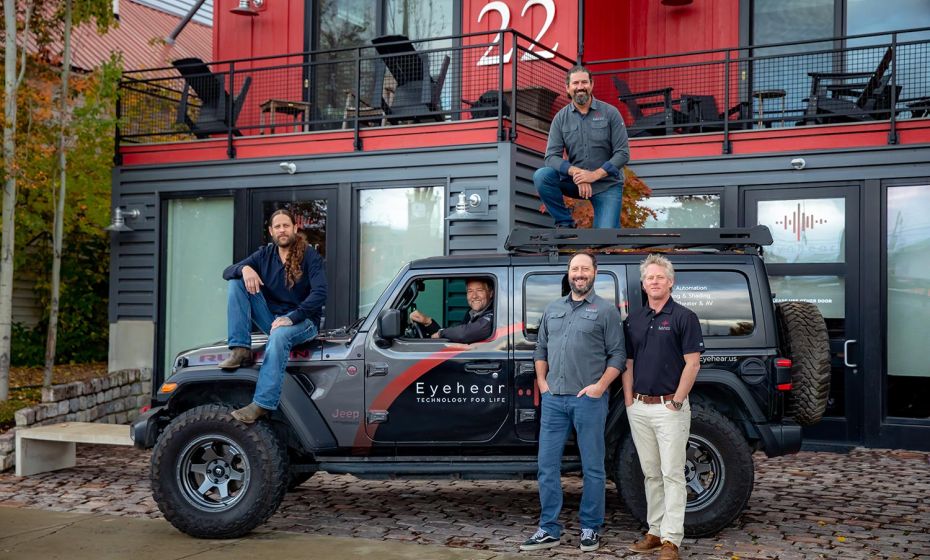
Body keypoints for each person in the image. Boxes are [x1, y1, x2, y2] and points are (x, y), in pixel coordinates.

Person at [521, 252, 625, 553]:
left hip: (588, 401)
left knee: (592, 467)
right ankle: (548, 528)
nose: (579, 274)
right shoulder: (553, 308)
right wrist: (543, 383)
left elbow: (618, 355)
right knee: (547, 466)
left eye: (584, 269)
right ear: (568, 273)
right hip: (554, 400)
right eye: (574, 269)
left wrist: (599, 387)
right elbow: (540, 349)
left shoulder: (606, 311)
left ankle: (591, 527)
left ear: (595, 272)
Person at [623, 254, 704, 560]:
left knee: (672, 474)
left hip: (670, 408)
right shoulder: (634, 319)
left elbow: (692, 364)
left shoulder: (685, 317)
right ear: (643, 284)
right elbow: (628, 362)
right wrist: (629, 400)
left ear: (671, 282)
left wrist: (677, 400)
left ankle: (672, 540)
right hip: (639, 407)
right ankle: (654, 533)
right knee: (651, 474)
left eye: (660, 277)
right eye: (649, 277)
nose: (654, 281)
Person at [218, 208, 328, 424]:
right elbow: (227, 271)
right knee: (236, 282)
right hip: (273, 319)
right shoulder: (265, 254)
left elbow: (320, 292)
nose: (282, 230)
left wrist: (293, 317)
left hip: (303, 321)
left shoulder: (309, 256)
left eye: (286, 225)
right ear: (271, 231)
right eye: (277, 226)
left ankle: (262, 403)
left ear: (295, 228)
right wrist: (245, 269)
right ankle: (240, 348)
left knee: (278, 336)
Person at [534, 65, 630, 229]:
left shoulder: (610, 113)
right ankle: (565, 223)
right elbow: (551, 157)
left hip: (607, 184)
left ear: (591, 85)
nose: (580, 87)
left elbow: (622, 154)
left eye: (584, 82)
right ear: (567, 87)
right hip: (575, 183)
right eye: (575, 83)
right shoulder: (560, 118)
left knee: (605, 237)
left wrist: (593, 175)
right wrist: (577, 173)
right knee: (542, 176)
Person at [409, 278, 494, 344]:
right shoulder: (471, 314)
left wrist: (441, 333)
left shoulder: (493, 315)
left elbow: (463, 334)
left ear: (490, 293)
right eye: (470, 291)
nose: (474, 296)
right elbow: (454, 334)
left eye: (479, 290)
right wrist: (428, 322)